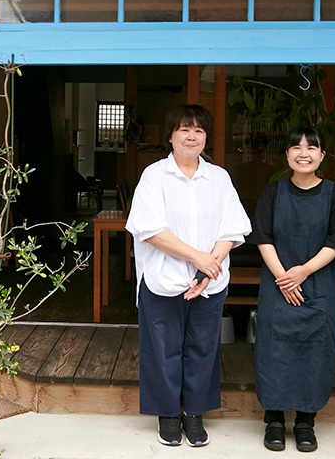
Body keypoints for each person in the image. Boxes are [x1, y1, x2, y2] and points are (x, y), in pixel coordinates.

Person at [125, 104, 251, 448]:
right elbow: (149, 230)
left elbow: (234, 227)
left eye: (198, 130)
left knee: (202, 348)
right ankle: (168, 414)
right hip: (163, 280)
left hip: (210, 282)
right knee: (162, 349)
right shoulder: (154, 176)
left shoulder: (219, 178)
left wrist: (210, 267)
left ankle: (194, 414)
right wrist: (198, 258)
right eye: (183, 129)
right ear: (170, 135)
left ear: (206, 137)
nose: (191, 135)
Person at [248, 125, 335, 453]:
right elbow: (262, 237)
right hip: (277, 285)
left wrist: (303, 271)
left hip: (320, 285)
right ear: (287, 155)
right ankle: (275, 421)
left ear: (322, 156)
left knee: (316, 352)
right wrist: (284, 278)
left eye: (312, 148)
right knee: (273, 351)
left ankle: (306, 422)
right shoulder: (273, 192)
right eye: (296, 147)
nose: (303, 153)